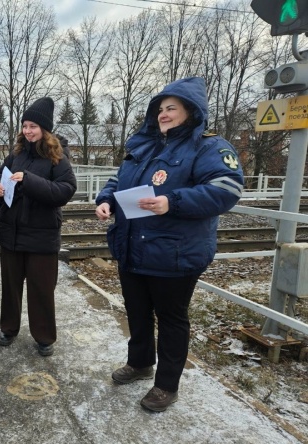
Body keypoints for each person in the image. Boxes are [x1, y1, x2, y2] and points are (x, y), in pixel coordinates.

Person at [95, 77, 244, 412]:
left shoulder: (208, 147)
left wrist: (172, 202)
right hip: (132, 247)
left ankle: (166, 385)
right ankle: (140, 362)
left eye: (171, 108)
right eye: (160, 109)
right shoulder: (145, 145)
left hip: (175, 253)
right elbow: (119, 179)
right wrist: (106, 199)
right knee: (136, 311)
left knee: (171, 318)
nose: (163, 114)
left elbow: (227, 188)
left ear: (191, 112)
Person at [0, 97, 77, 356]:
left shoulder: (57, 157)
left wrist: (29, 180)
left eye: (33, 126)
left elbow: (65, 191)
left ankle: (43, 337)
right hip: (12, 234)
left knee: (41, 290)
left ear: (44, 129)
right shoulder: (15, 154)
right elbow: (1, 176)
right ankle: (9, 328)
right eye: (25, 126)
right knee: (10, 287)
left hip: (41, 237)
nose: (28, 131)